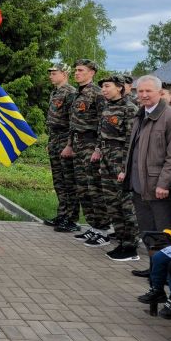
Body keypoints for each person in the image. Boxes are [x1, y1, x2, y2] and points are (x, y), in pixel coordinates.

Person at [121, 75, 171, 273]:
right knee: (147, 232)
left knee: (164, 234)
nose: (144, 95)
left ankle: (163, 278)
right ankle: (153, 270)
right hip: (139, 186)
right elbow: (133, 149)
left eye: (149, 91)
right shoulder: (140, 115)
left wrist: (164, 183)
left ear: (160, 92)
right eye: (141, 91)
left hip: (160, 189)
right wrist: (126, 172)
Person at [61, 59, 109, 243]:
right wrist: (69, 144)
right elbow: (72, 124)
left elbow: (103, 124)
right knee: (83, 189)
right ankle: (93, 226)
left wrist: (98, 148)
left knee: (94, 189)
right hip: (78, 144)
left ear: (92, 72)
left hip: (91, 144)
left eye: (81, 70)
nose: (77, 73)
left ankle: (103, 230)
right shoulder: (76, 95)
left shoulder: (97, 94)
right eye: (76, 70)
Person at [92, 75, 139, 258]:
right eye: (102, 87)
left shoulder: (130, 109)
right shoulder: (107, 107)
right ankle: (121, 241)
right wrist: (97, 150)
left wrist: (125, 168)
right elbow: (101, 133)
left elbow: (131, 140)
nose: (103, 90)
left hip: (120, 160)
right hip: (106, 159)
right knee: (112, 203)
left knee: (125, 205)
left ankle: (131, 246)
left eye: (107, 86)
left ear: (119, 88)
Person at [44, 63, 79, 232]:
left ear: (64, 74)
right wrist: (50, 142)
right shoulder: (55, 92)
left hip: (65, 139)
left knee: (68, 181)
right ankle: (62, 214)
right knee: (58, 180)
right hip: (55, 138)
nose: (50, 75)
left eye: (54, 73)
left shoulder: (71, 92)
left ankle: (71, 219)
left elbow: (73, 121)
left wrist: (70, 144)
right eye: (50, 73)